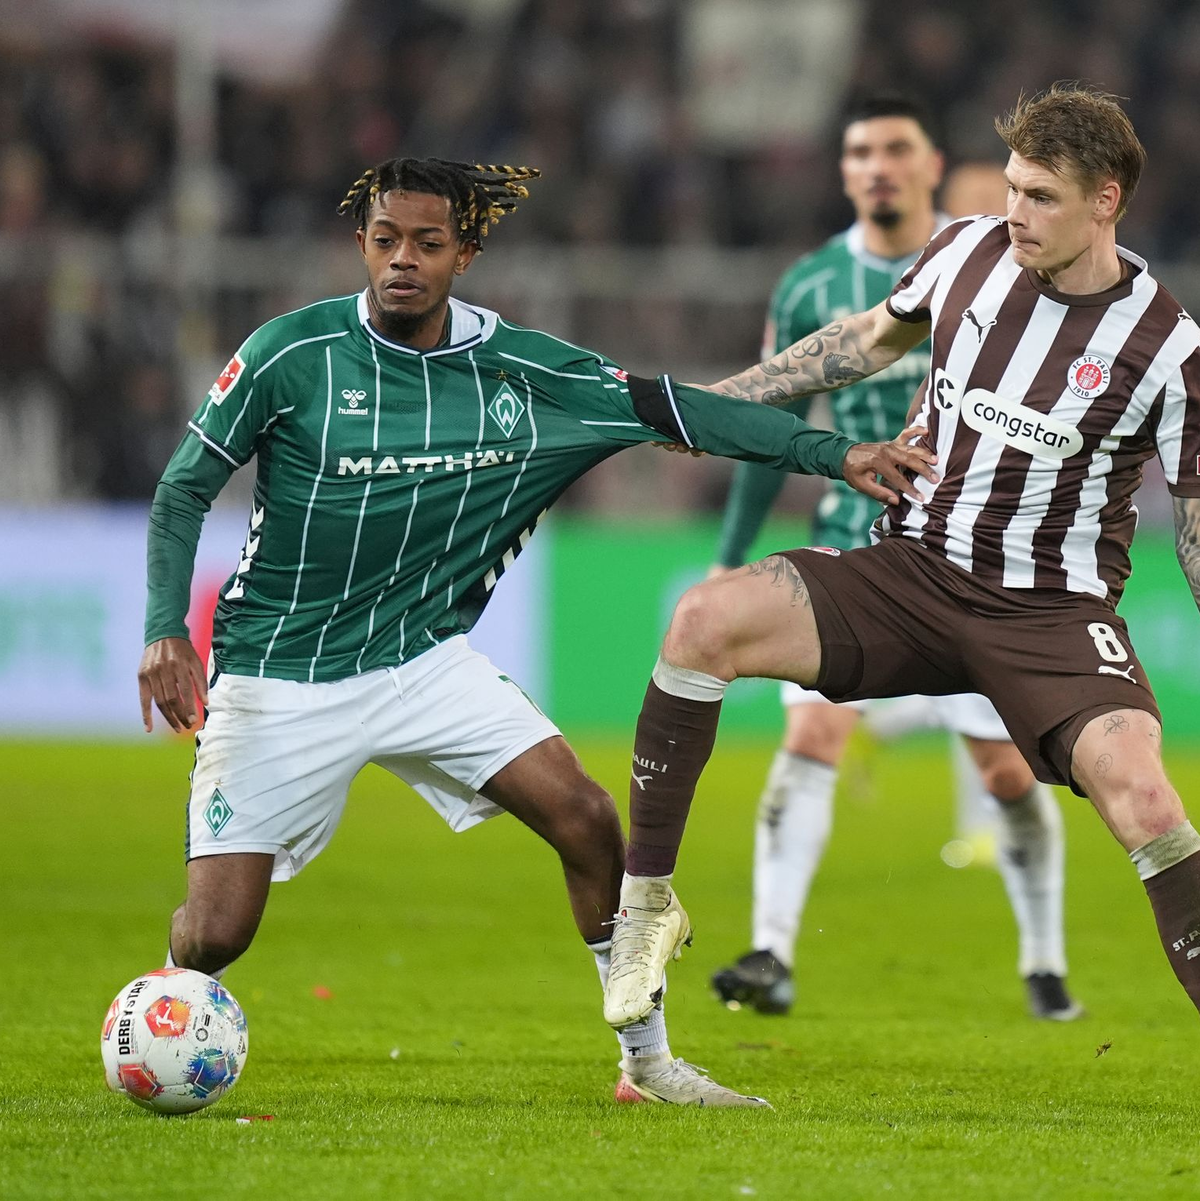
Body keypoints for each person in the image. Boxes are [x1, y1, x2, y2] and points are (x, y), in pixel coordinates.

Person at [137, 157, 932, 1107]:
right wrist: (164, 630)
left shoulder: (531, 372)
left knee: (590, 820)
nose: (402, 261)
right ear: (362, 243)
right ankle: (166, 1011)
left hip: (420, 660)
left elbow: (683, 410)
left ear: (463, 254)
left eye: (427, 244)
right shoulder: (289, 354)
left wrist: (835, 452)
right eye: (385, 240)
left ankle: (648, 1064)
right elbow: (184, 485)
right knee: (218, 933)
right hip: (278, 671)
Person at [602, 84, 1200, 1037]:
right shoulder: (966, 251)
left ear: (1107, 200)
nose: (1015, 214)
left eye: (1042, 196)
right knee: (701, 622)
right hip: (909, 573)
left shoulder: (1168, 346)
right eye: (1010, 187)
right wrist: (722, 405)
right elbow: (861, 343)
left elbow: (1194, 527)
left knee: (1147, 797)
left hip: (1047, 612)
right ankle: (643, 912)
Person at [706, 97, 1079, 1021]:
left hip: (970, 551)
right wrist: (730, 553)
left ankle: (1044, 957)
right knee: (813, 733)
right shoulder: (809, 285)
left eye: (895, 150)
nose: (877, 166)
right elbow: (774, 425)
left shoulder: (996, 263)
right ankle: (769, 951)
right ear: (844, 173)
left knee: (1004, 772)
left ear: (930, 165)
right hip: (850, 536)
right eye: (860, 152)